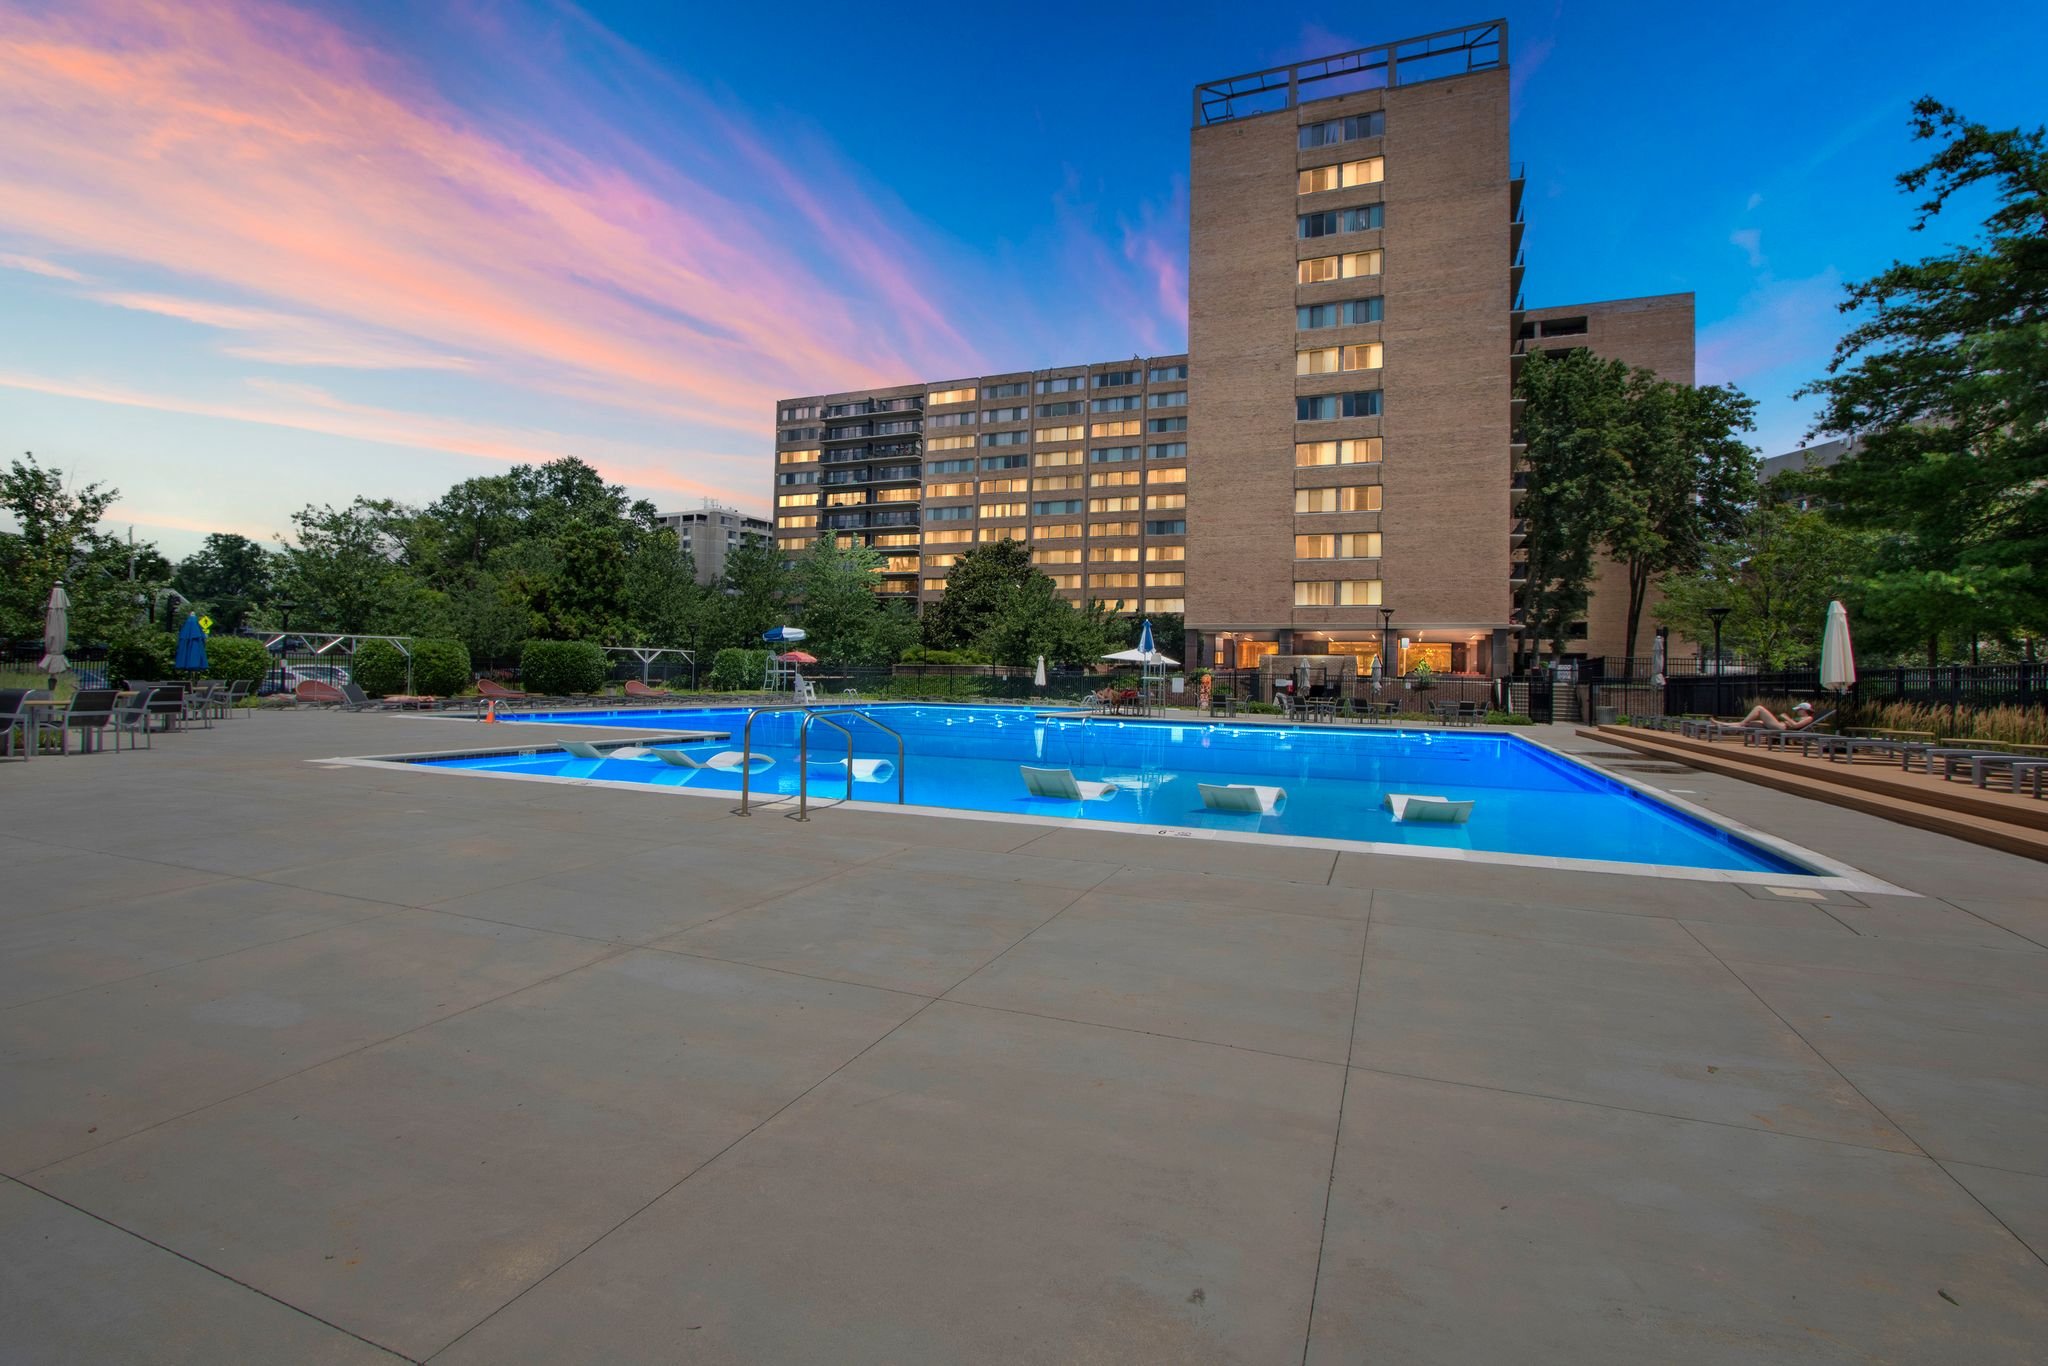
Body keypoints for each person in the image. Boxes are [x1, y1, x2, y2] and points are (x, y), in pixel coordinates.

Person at [1735, 700, 1818, 731]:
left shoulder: (1808, 718)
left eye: (1798, 710)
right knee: (1751, 723)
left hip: (1781, 727)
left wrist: (1787, 718)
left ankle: (1740, 724)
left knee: (1759, 708)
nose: (1797, 712)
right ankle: (1725, 725)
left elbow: (1796, 725)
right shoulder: (1802, 717)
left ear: (1804, 710)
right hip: (1779, 724)